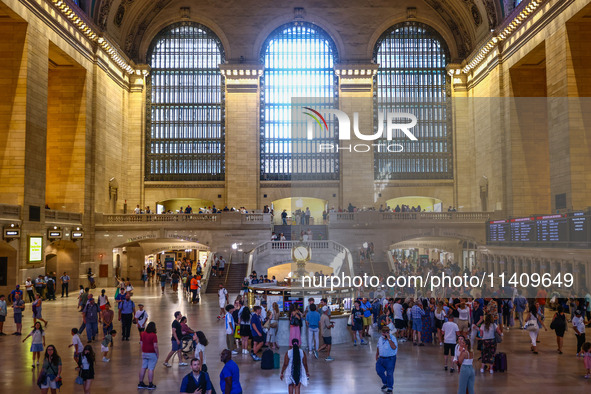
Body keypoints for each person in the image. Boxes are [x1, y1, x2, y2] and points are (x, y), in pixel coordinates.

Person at [375, 325, 398, 394]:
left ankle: (390, 387)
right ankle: (386, 382)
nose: (383, 334)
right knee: (379, 371)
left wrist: (389, 339)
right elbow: (378, 346)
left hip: (390, 359)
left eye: (385, 333)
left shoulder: (393, 338)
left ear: (388, 332)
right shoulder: (380, 338)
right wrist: (377, 354)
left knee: (389, 374)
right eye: (382, 332)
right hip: (381, 359)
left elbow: (394, 347)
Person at [139, 322, 159, 390]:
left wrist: (143, 350)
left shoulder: (143, 333)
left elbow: (141, 343)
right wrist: (157, 354)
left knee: (143, 367)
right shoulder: (153, 335)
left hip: (144, 353)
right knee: (151, 369)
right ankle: (150, 384)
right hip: (152, 353)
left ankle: (140, 383)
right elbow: (155, 346)